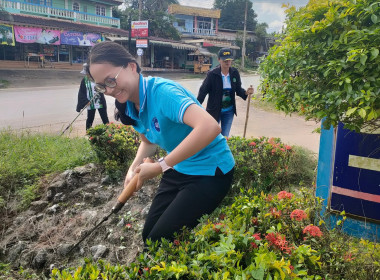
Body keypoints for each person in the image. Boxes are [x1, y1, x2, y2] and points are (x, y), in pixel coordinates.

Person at [86, 41, 235, 243]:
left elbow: (210, 127)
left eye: (111, 80)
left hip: (210, 170)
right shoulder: (130, 103)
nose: (109, 90)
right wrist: (134, 167)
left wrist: (160, 166)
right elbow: (148, 141)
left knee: (160, 239)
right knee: (148, 236)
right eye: (102, 86)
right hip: (179, 167)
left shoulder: (163, 93)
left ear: (131, 67)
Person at [197, 48, 254, 137]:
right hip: (214, 110)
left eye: (229, 60)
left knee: (225, 136)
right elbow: (203, 91)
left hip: (229, 111)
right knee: (211, 135)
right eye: (225, 60)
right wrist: (196, 106)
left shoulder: (234, 72)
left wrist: (246, 92)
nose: (227, 62)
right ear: (219, 60)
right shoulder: (212, 74)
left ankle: (222, 150)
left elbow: (238, 90)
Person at [76, 65, 109, 130]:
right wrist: (85, 101)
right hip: (90, 102)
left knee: (104, 117)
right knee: (90, 118)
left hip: (99, 102)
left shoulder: (98, 78)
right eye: (86, 73)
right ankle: (88, 132)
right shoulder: (84, 80)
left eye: (88, 73)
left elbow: (104, 86)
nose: (87, 75)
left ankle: (109, 131)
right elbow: (81, 92)